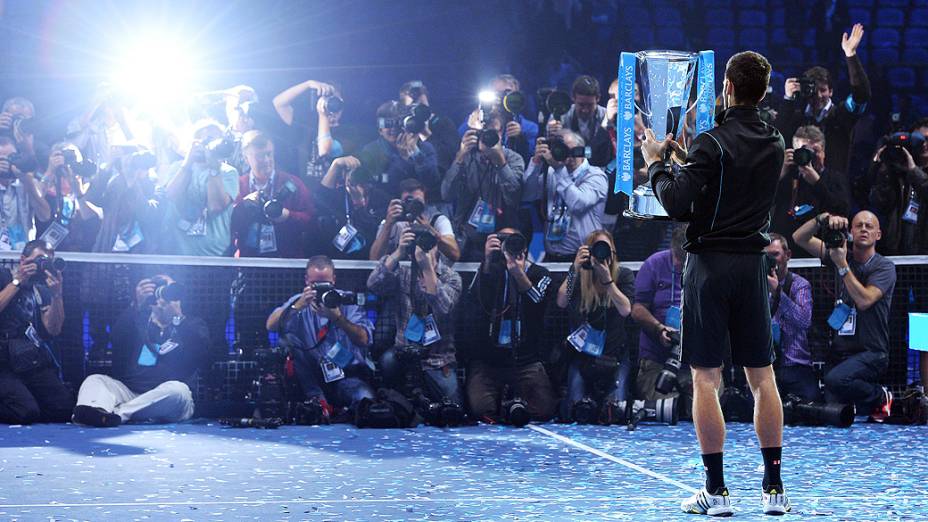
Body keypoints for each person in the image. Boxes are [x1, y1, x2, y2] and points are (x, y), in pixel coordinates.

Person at [642, 50, 790, 515]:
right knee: (763, 379)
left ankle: (717, 492)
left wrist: (656, 164)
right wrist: (685, 155)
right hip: (751, 266)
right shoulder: (775, 139)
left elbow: (678, 204)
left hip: (708, 266)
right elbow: (728, 171)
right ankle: (774, 491)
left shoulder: (712, 141)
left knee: (706, 379)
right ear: (764, 91)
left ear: (727, 85)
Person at [792, 211, 896, 420]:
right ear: (850, 232)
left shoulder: (884, 267)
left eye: (869, 226)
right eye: (859, 226)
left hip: (872, 352)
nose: (864, 229)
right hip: (841, 351)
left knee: (835, 381)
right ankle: (864, 401)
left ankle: (880, 396)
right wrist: (822, 219)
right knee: (832, 408)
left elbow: (865, 300)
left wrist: (842, 265)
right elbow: (799, 238)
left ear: (878, 234)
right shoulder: (839, 254)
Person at [72, 275, 208, 427]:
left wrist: (178, 317)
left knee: (179, 391)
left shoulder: (191, 323)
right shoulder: (136, 319)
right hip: (130, 393)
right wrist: (136, 305)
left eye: (170, 291)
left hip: (167, 399)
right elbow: (116, 337)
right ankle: (96, 411)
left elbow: (202, 348)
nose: (164, 297)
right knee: (95, 380)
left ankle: (116, 414)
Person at [465, 228, 557, 423]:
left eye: (513, 240)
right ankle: (505, 402)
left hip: (526, 360)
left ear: (524, 245)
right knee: (481, 410)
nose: (508, 245)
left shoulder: (540, 273)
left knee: (544, 410)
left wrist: (517, 272)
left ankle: (511, 403)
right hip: (489, 360)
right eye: (503, 240)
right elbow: (474, 301)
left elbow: (538, 303)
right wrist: (488, 262)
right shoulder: (488, 270)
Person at [266, 256, 375, 420]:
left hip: (347, 375)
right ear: (307, 281)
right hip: (312, 378)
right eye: (316, 285)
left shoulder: (347, 300)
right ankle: (319, 403)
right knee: (287, 340)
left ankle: (342, 412)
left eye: (326, 285)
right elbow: (271, 325)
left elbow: (364, 339)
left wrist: (338, 318)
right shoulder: (299, 301)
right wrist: (297, 307)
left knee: (366, 402)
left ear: (334, 280)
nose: (321, 291)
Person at [367, 224, 463, 405]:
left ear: (437, 247)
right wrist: (398, 252)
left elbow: (444, 308)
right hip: (403, 352)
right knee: (387, 361)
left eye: (429, 244)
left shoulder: (451, 277)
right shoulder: (402, 273)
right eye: (420, 244)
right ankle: (400, 401)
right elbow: (374, 285)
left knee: (454, 406)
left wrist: (427, 269)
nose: (424, 248)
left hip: (437, 358)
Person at [555, 230, 635, 420]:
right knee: (577, 413)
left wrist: (607, 280)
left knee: (615, 413)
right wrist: (574, 268)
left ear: (613, 252)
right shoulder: (579, 275)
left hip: (614, 356)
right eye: (596, 248)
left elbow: (626, 309)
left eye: (605, 248)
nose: (601, 253)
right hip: (583, 358)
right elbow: (561, 301)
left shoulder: (623, 275)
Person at [774, 23, 869, 175]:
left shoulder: (842, 115)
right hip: (799, 186)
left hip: (833, 186)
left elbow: (862, 95)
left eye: (823, 90)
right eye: (813, 90)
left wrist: (850, 55)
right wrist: (788, 99)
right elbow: (776, 137)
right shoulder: (797, 116)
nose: (818, 96)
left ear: (831, 91)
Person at [0, 240, 70, 424]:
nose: (43, 264)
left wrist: (57, 295)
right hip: (2, 361)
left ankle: (25, 400)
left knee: (63, 408)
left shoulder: (43, 289)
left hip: (27, 358)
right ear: (23, 260)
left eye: (48, 260)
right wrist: (17, 281)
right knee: (25, 412)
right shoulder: (4, 276)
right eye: (39, 259)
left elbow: (53, 329)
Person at [631, 225, 697, 417]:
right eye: (678, 259)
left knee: (704, 410)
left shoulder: (708, 266)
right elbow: (637, 309)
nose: (680, 264)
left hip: (697, 359)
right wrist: (658, 329)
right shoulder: (654, 264)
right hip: (658, 357)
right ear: (672, 247)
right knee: (665, 411)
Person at [441, 111, 524, 262]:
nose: (489, 137)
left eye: (494, 132)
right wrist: (460, 155)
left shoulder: (513, 158)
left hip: (501, 237)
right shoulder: (466, 156)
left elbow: (513, 198)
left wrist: (501, 163)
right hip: (466, 236)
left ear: (502, 132)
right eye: (484, 132)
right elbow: (446, 194)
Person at [523, 130, 607, 262]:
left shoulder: (596, 176)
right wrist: (536, 162)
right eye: (562, 150)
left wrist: (558, 170)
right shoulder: (552, 173)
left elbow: (578, 204)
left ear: (580, 150)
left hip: (584, 256)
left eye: (571, 150)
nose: (567, 155)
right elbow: (527, 194)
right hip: (551, 256)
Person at [770, 125, 851, 256]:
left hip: (820, 253)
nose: (810, 156)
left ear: (824, 152)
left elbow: (843, 211)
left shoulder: (835, 178)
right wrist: (780, 173)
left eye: (815, 151)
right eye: (803, 151)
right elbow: (760, 203)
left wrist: (817, 183)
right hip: (784, 254)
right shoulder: (786, 176)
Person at [230, 130, 312, 258]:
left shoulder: (292, 183)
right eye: (259, 156)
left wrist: (288, 215)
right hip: (248, 261)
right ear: (246, 159)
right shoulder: (237, 185)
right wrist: (243, 205)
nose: (266, 160)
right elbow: (227, 225)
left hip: (287, 261)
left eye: (269, 154)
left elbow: (311, 221)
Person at [163, 120, 239, 256]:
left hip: (216, 257)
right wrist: (188, 162)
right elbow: (170, 195)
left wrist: (214, 167)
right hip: (178, 256)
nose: (206, 144)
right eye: (201, 139)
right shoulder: (177, 167)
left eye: (211, 139)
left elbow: (216, 207)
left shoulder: (228, 172)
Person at [764, 233, 819, 402]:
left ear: (787, 255)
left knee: (811, 405)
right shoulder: (754, 286)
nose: (771, 261)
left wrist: (778, 293)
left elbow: (804, 321)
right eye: (766, 256)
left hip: (795, 366)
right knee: (754, 409)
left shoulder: (799, 285)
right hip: (766, 366)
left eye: (775, 255)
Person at [357, 100, 440, 199]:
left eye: (398, 123)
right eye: (388, 124)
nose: (394, 128)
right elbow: (381, 186)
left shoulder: (425, 148)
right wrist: (403, 160)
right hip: (387, 207)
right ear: (380, 129)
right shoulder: (370, 151)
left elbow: (433, 182)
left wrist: (416, 153)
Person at [369, 178, 460, 264]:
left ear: (425, 202)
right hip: (398, 276)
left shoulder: (437, 220)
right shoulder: (392, 223)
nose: (413, 206)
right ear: (399, 202)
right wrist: (388, 225)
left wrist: (430, 231)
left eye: (418, 202)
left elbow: (455, 254)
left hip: (429, 276)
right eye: (408, 201)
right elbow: (374, 259)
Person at [868, 126, 928, 255]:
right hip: (897, 250)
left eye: (927, 139)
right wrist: (883, 170)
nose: (924, 144)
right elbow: (880, 203)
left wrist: (914, 171)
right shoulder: (899, 174)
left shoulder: (913, 173)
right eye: (920, 140)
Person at [313, 155, 387, 260]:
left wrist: (359, 203)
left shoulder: (380, 199)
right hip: (337, 259)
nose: (358, 178)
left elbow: (371, 232)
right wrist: (335, 165)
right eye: (353, 173)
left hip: (368, 260)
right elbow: (319, 199)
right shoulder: (339, 195)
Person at [272, 79, 344, 184]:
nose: (330, 105)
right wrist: (308, 84)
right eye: (327, 100)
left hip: (331, 193)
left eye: (335, 100)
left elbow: (324, 150)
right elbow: (279, 103)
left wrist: (322, 114)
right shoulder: (306, 125)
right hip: (304, 190)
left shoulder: (348, 131)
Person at [459, 74, 538, 163]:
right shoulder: (477, 118)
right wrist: (474, 124)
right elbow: (460, 139)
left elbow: (530, 158)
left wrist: (520, 137)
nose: (502, 97)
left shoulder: (529, 127)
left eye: (507, 92)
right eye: (497, 93)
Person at [545, 75, 613, 167]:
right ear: (573, 98)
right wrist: (552, 136)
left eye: (590, 105)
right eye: (581, 105)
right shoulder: (561, 116)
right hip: (567, 165)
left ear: (598, 98)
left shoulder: (607, 116)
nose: (585, 110)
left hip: (599, 165)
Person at [0, 135, 52, 251]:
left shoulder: (27, 182)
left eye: (10, 157)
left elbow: (44, 216)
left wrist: (26, 181)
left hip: (23, 258)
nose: (5, 162)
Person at [399, 80, 459, 175]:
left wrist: (427, 136)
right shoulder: (406, 130)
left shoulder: (443, 123)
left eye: (421, 106)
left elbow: (451, 161)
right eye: (413, 106)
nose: (419, 110)